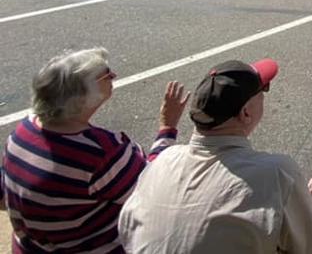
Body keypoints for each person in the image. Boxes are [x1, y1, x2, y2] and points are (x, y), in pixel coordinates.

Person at [119, 58, 312, 254]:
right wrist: (304, 207)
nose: (266, 94)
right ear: (245, 113)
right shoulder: (278, 173)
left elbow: (127, 231)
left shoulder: (161, 161)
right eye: (263, 90)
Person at [0, 48, 186, 253]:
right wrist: (167, 129)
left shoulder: (23, 130)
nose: (114, 76)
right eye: (107, 75)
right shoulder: (100, 151)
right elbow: (153, 188)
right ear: (81, 97)